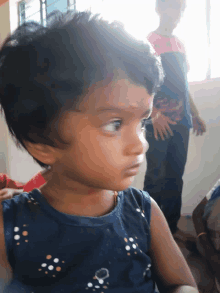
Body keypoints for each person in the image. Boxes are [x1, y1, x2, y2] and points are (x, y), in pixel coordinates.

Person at [0, 11, 198, 293]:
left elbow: (182, 284)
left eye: (142, 122)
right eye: (114, 124)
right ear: (42, 143)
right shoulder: (8, 227)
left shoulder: (143, 211)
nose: (140, 144)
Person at [143, 0, 206, 237]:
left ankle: (170, 230)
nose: (177, 13)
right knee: (155, 177)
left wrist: (196, 114)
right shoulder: (148, 42)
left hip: (182, 120)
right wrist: (155, 114)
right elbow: (142, 84)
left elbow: (183, 85)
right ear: (159, 8)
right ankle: (149, 232)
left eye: (181, 8)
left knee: (175, 177)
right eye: (172, 6)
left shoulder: (180, 44)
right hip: (159, 121)